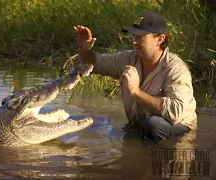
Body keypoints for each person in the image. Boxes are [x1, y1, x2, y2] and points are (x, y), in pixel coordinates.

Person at [74, 12, 197, 142]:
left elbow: (175, 112)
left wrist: (136, 92)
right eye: (134, 36)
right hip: (143, 125)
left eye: (140, 37)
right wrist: (85, 50)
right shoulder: (127, 58)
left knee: (153, 126)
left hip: (179, 128)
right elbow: (96, 64)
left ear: (160, 39)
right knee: (134, 132)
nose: (134, 41)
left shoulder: (176, 69)